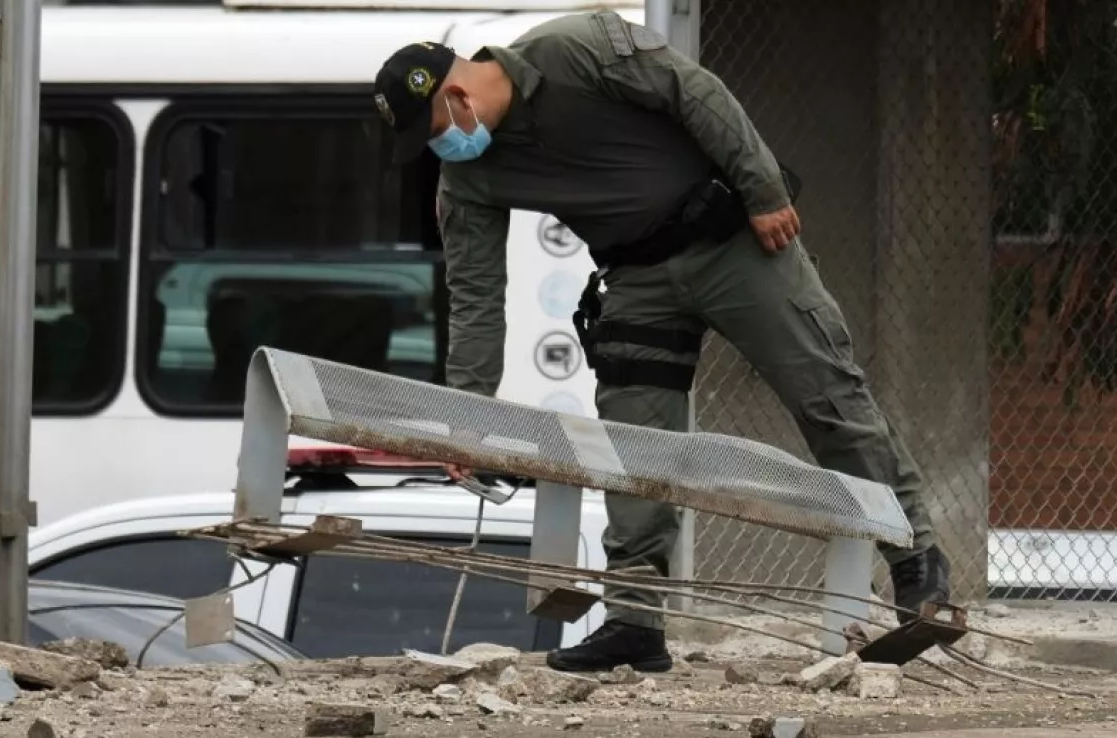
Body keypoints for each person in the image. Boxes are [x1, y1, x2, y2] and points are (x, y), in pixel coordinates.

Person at [371, 11, 950, 674]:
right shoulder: (467, 181)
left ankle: (917, 565)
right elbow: (475, 301)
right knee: (634, 442)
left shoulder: (577, 49)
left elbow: (696, 94)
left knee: (827, 397)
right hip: (637, 275)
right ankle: (634, 622)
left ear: (458, 96)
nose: (441, 149)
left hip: (733, 244)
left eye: (436, 132)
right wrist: (464, 420)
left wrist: (762, 190)